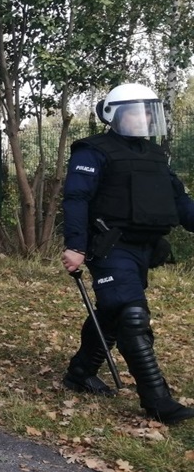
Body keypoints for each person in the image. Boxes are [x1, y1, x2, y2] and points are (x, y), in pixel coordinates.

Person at [60, 83, 194, 425]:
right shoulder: (93, 151)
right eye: (136, 111)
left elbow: (179, 201)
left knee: (112, 310)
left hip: (144, 249)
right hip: (109, 245)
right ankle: (158, 401)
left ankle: (79, 373)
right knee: (132, 316)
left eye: (148, 111)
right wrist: (75, 246)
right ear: (115, 115)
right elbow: (76, 199)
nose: (144, 117)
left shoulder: (154, 156)